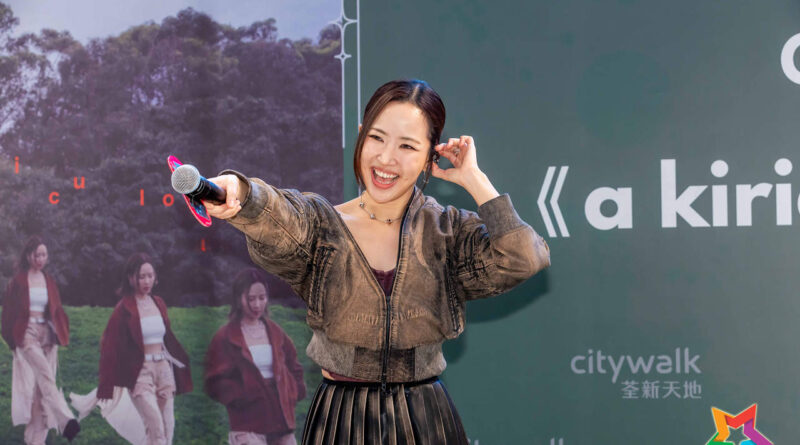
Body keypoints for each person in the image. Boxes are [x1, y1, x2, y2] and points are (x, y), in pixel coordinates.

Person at [205, 79, 550, 443]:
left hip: (426, 418)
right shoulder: (322, 227)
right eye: (376, 138)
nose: (386, 158)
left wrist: (474, 179)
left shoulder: (449, 231)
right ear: (361, 137)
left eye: (407, 146)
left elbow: (524, 258)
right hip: (340, 419)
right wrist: (241, 192)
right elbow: (279, 215)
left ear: (430, 157)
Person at [95, 252, 192, 445]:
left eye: (150, 276)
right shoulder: (124, 308)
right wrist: (105, 384)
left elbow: (167, 336)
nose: (147, 281)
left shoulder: (158, 303)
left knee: (167, 426)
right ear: (131, 278)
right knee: (156, 427)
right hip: (140, 373)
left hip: (163, 369)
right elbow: (109, 345)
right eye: (141, 277)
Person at [204, 268, 306, 445]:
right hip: (247, 424)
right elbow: (213, 382)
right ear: (238, 299)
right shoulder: (225, 336)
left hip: (281, 421)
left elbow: (294, 366)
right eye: (250, 299)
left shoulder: (275, 331)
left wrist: (292, 392)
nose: (257, 305)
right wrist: (242, 395)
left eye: (262, 298)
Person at [1, 236, 80, 444]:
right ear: (28, 256)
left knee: (40, 389)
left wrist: (60, 333)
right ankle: (66, 420)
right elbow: (7, 314)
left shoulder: (49, 281)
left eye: (44, 255)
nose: (41, 259)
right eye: (37, 255)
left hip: (47, 335)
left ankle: (35, 438)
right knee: (46, 376)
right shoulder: (18, 281)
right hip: (27, 333)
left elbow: (57, 309)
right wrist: (13, 342)